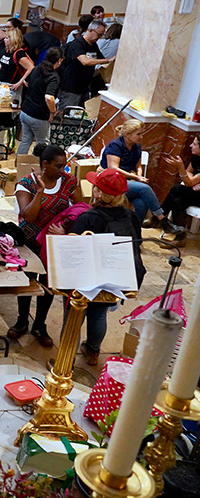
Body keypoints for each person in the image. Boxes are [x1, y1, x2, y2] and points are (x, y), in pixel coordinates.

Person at [67, 169, 145, 365]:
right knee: (99, 313)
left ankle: (65, 363)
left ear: (99, 193)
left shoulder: (88, 217)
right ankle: (93, 352)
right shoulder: (130, 215)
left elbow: (74, 249)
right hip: (116, 277)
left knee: (73, 317)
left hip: (88, 279)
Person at [9, 144, 84, 346]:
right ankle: (22, 320)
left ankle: (39, 325)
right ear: (45, 164)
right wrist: (40, 192)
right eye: (58, 166)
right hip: (30, 241)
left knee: (49, 284)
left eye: (64, 166)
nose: (63, 170)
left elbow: (81, 210)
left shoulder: (69, 182)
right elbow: (29, 216)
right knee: (27, 281)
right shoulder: (26, 184)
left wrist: (66, 230)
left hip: (54, 242)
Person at [99, 119, 185, 235]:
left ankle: (134, 232)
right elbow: (113, 168)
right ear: (128, 134)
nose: (141, 137)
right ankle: (162, 220)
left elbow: (138, 165)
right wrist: (136, 178)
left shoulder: (136, 146)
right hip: (112, 181)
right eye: (138, 134)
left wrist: (139, 175)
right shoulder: (116, 145)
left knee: (141, 204)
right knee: (144, 189)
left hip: (127, 181)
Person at [17, 48, 62, 154]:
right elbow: (49, 97)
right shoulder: (53, 77)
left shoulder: (36, 68)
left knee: (25, 141)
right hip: (38, 116)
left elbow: (26, 82)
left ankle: (19, 166)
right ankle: (40, 167)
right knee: (42, 143)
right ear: (59, 60)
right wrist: (52, 111)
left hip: (25, 111)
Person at [59, 20, 113, 108]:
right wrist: (107, 59)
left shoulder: (93, 45)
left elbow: (100, 59)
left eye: (101, 35)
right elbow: (85, 61)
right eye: (99, 34)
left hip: (84, 87)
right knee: (66, 112)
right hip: (72, 87)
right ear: (91, 30)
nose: (99, 37)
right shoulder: (77, 44)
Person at [0, 26, 34, 100]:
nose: (4, 40)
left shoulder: (18, 54)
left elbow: (31, 67)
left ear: (13, 39)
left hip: (12, 86)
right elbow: (2, 64)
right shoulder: (8, 50)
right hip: (2, 83)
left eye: (7, 38)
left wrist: (19, 83)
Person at [162, 136, 200, 227]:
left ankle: (159, 218)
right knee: (178, 202)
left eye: (194, 144)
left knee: (176, 189)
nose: (190, 146)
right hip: (195, 191)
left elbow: (188, 182)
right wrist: (194, 181)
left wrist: (180, 167)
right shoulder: (196, 157)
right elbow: (189, 171)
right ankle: (180, 236)